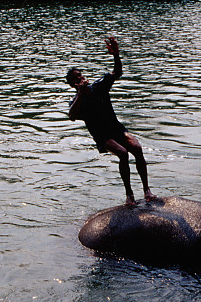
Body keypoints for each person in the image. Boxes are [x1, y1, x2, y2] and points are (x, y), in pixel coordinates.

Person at [67, 36, 156, 206]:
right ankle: (129, 195)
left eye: (81, 76)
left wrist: (116, 54)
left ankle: (147, 190)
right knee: (122, 153)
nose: (80, 80)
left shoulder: (98, 86)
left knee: (136, 147)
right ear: (73, 85)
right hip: (102, 136)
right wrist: (80, 93)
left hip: (116, 129)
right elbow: (71, 116)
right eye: (76, 80)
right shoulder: (77, 101)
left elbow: (117, 73)